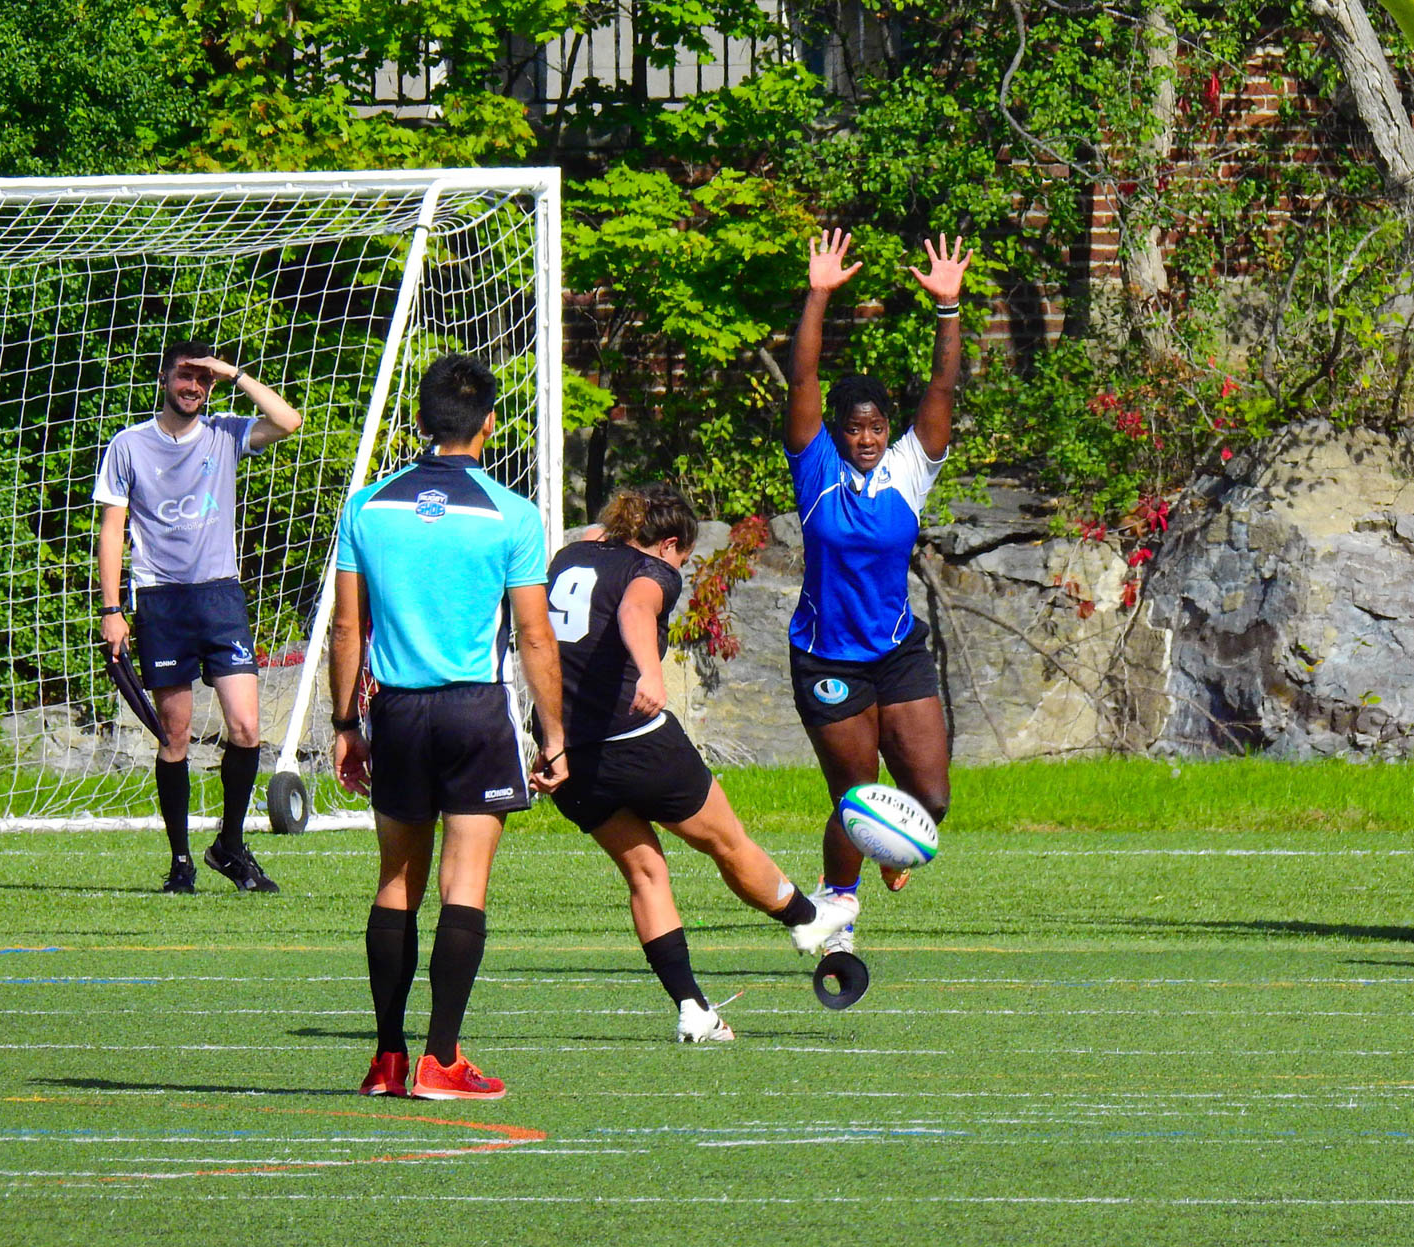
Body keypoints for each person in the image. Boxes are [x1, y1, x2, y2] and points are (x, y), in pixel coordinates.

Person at [328, 353, 567, 1101]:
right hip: (473, 711)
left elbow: (345, 627)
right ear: (490, 425)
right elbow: (534, 638)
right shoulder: (513, 514)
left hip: (395, 712)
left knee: (396, 882)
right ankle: (441, 1060)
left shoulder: (368, 505)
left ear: (421, 423)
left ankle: (388, 1059)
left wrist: (345, 723)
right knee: (465, 883)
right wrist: (555, 736)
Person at [539, 485, 856, 1043]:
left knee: (645, 874)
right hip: (638, 744)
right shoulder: (654, 570)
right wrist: (651, 672)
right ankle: (807, 922)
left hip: (566, 754)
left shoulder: (572, 553)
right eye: (681, 556)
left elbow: (598, 538)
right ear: (667, 544)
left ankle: (693, 1008)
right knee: (727, 842)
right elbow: (637, 606)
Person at [783, 227, 971, 955]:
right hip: (827, 659)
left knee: (933, 799)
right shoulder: (815, 468)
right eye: (854, 427)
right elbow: (802, 381)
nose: (866, 438)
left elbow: (943, 387)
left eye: (876, 427)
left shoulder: (908, 470)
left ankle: (893, 852)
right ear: (836, 431)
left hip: (895, 651)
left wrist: (947, 309)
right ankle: (837, 919)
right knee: (857, 799)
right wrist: (819, 295)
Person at [96, 340, 303, 895]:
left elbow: (288, 421)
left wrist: (232, 374)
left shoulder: (224, 432)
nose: (193, 387)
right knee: (176, 736)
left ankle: (229, 846)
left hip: (219, 596)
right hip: (162, 601)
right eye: (184, 377)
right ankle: (181, 861)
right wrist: (113, 608)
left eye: (201, 379)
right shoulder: (128, 445)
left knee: (246, 727)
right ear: (164, 379)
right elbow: (112, 529)